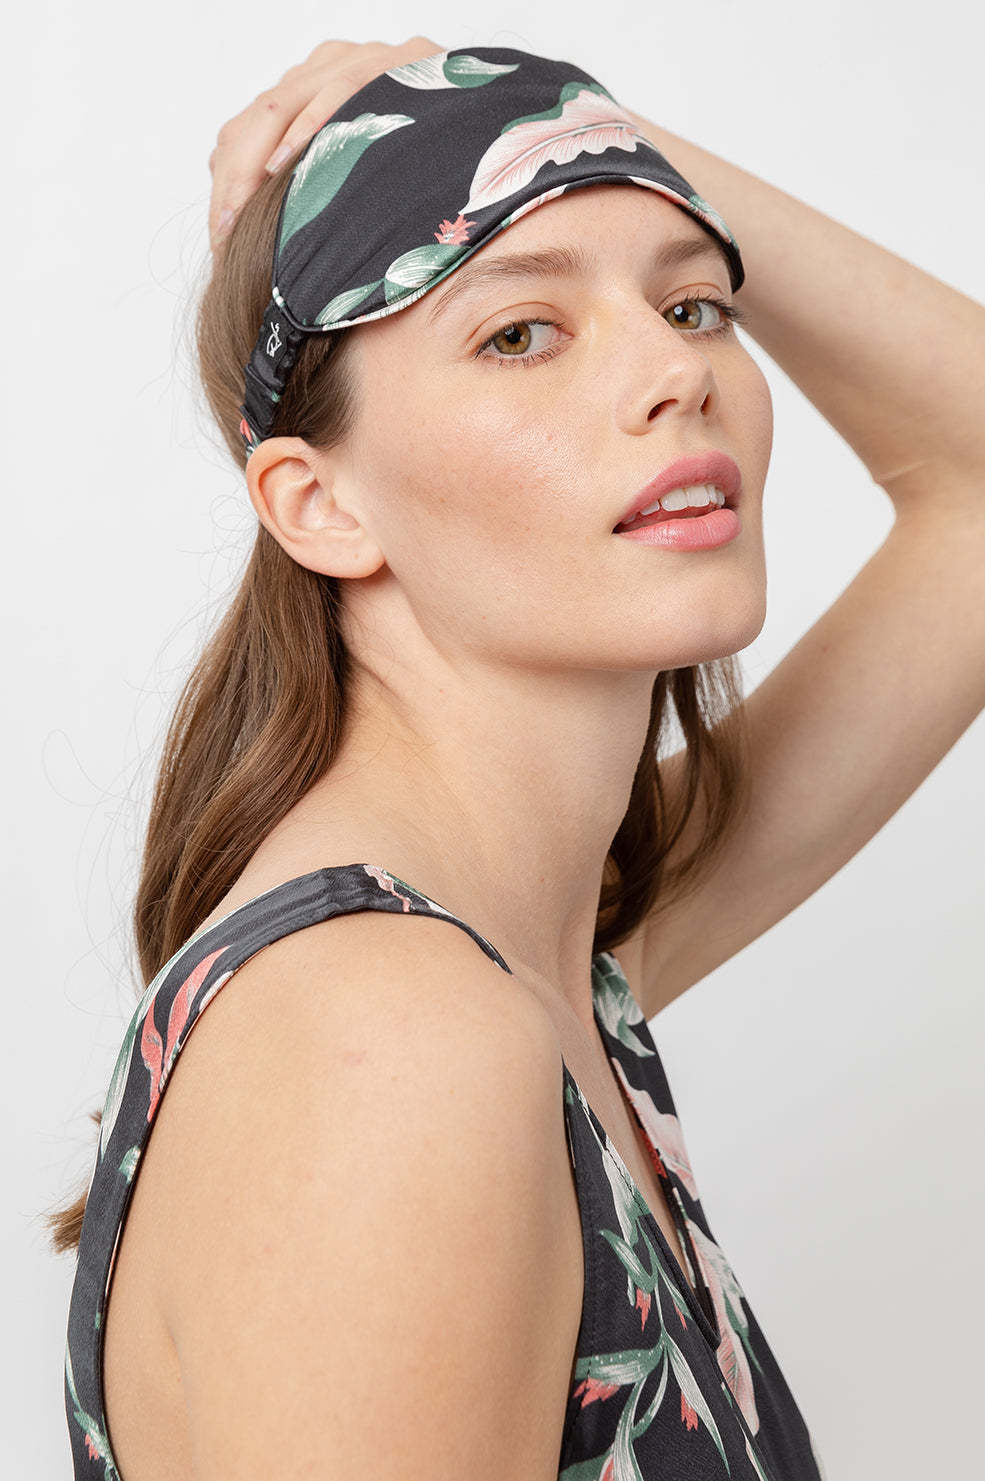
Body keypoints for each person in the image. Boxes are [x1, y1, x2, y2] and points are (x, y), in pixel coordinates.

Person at [51, 34, 984, 1481]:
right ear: (318, 504)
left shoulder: (544, 949)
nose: (673, 369)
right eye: (519, 334)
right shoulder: (392, 1044)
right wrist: (565, 146)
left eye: (692, 304)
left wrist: (579, 138)